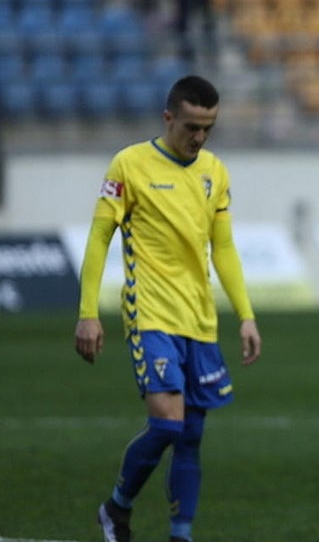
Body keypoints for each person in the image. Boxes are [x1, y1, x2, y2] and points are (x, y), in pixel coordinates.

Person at [74, 75, 262, 542]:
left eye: (208, 129)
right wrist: (88, 311)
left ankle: (181, 534)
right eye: (191, 127)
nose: (199, 138)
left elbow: (224, 248)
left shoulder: (214, 172)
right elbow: (99, 238)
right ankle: (116, 509)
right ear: (168, 118)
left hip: (199, 320)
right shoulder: (128, 165)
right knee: (166, 424)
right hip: (150, 314)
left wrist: (245, 315)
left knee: (190, 437)